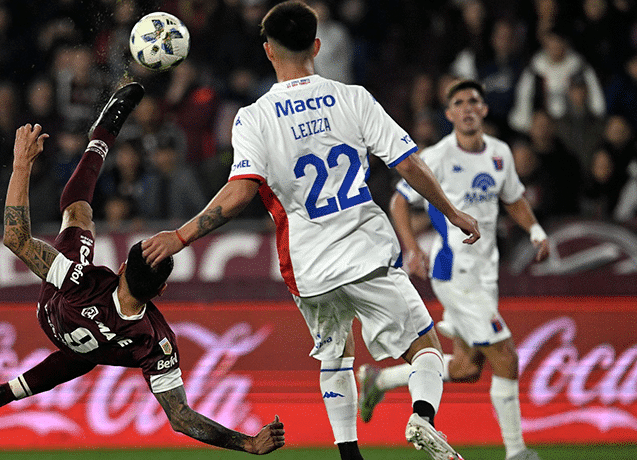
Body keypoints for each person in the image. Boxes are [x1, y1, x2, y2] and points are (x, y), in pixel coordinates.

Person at [142, 3, 480, 460]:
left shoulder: (254, 117)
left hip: (308, 266)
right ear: (317, 46)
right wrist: (453, 212)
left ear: (267, 51)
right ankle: (422, 416)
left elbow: (241, 192)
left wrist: (180, 236)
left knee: (335, 356)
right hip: (365, 252)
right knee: (426, 350)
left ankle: (349, 456)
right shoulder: (353, 98)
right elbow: (408, 164)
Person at [0, 83, 286, 455]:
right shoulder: (156, 340)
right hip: (88, 342)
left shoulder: (83, 277)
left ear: (121, 266)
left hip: (55, 309)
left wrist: (21, 165)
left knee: (78, 211)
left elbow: (15, 238)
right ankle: (0, 393)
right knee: (89, 352)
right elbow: (181, 417)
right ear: (161, 292)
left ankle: (102, 136)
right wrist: (248, 442)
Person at [359, 80, 550, 460]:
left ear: (483, 110)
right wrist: (412, 249)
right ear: (449, 114)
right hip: (455, 274)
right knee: (507, 358)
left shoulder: (499, 153)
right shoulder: (439, 156)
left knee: (466, 368)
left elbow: (513, 199)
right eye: (458, 102)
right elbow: (399, 201)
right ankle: (517, 452)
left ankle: (379, 379)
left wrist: (536, 230)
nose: (466, 108)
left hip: (485, 274)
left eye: (473, 101)